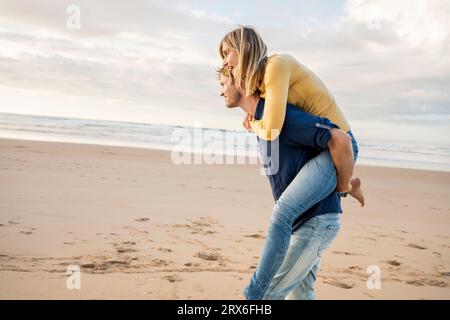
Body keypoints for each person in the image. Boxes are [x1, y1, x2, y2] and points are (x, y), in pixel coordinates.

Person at [218, 25, 364, 299]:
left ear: (244, 48)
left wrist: (255, 122)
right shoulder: (262, 87)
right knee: (302, 292)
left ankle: (254, 293)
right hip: (329, 154)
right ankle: (347, 186)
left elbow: (273, 128)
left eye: (227, 53)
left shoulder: (276, 65)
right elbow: (269, 119)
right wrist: (255, 117)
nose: (224, 61)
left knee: (281, 215)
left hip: (342, 144)